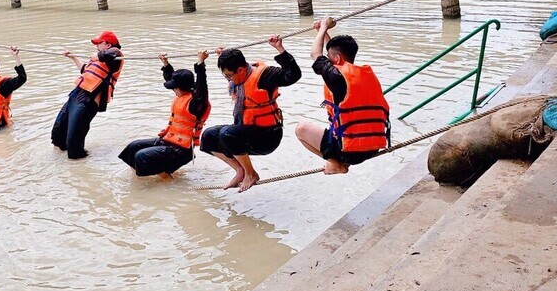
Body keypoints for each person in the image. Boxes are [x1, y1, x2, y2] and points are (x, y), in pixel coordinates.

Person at [200, 35, 301, 192]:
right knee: (208, 136)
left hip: (267, 137)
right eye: (225, 76)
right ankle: (240, 171)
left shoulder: (265, 76)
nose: (228, 79)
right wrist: (224, 56)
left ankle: (251, 173)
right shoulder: (239, 75)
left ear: (240, 70)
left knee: (227, 133)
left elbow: (293, 75)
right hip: (245, 133)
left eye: (229, 75)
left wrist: (280, 49)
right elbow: (232, 71)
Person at [295, 17, 390, 174]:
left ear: (337, 59)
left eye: (330, 58)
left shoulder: (337, 77)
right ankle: (338, 161)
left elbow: (315, 53)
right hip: (374, 146)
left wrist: (324, 27)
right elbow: (336, 57)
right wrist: (323, 33)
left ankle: (337, 164)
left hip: (349, 151)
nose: (328, 62)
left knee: (301, 129)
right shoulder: (365, 75)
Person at [119, 50, 211, 179]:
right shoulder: (182, 93)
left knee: (142, 155)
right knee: (133, 147)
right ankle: (138, 177)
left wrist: (201, 63)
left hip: (181, 150)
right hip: (168, 141)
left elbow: (202, 84)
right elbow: (171, 78)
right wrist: (166, 64)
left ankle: (167, 179)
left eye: (175, 87)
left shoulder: (197, 103)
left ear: (180, 87)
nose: (173, 89)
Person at [52, 30, 123, 159]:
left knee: (73, 141)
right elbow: (84, 70)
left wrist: (98, 55)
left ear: (108, 45)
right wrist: (73, 57)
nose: (96, 46)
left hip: (89, 99)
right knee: (58, 133)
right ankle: (60, 164)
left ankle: (79, 167)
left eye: (99, 43)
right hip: (76, 94)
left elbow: (111, 54)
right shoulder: (98, 59)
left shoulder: (115, 55)